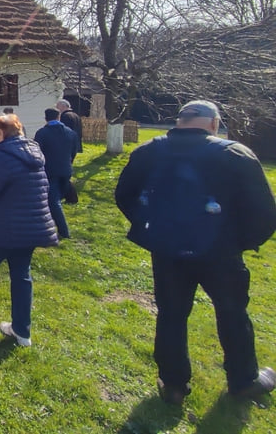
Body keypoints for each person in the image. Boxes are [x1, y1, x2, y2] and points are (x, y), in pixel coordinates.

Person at [115, 100, 276, 404]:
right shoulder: (235, 154)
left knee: (171, 314)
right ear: (214, 123)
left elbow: (125, 195)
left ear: (179, 122)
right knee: (232, 313)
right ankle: (243, 380)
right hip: (221, 253)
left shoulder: (148, 152)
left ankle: (173, 384)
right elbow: (265, 213)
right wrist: (237, 241)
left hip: (167, 250)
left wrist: (151, 227)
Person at [0, 113, 58, 347]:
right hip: (31, 225)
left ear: (0, 133)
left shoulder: (2, 156)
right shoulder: (35, 153)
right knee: (22, 275)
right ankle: (21, 330)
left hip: (1, 226)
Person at [33, 107, 78, 239]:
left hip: (49, 171)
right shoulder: (70, 133)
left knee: (53, 201)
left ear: (46, 118)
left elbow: (38, 153)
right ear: (58, 117)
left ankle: (63, 231)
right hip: (66, 170)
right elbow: (73, 152)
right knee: (55, 199)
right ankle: (46, 225)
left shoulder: (42, 133)